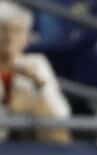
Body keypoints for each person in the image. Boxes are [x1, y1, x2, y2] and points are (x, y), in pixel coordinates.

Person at [0, 0, 70, 143]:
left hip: (29, 149)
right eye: (3, 30)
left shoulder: (37, 64)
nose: (10, 38)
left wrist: (39, 85)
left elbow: (60, 122)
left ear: (27, 37)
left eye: (17, 31)